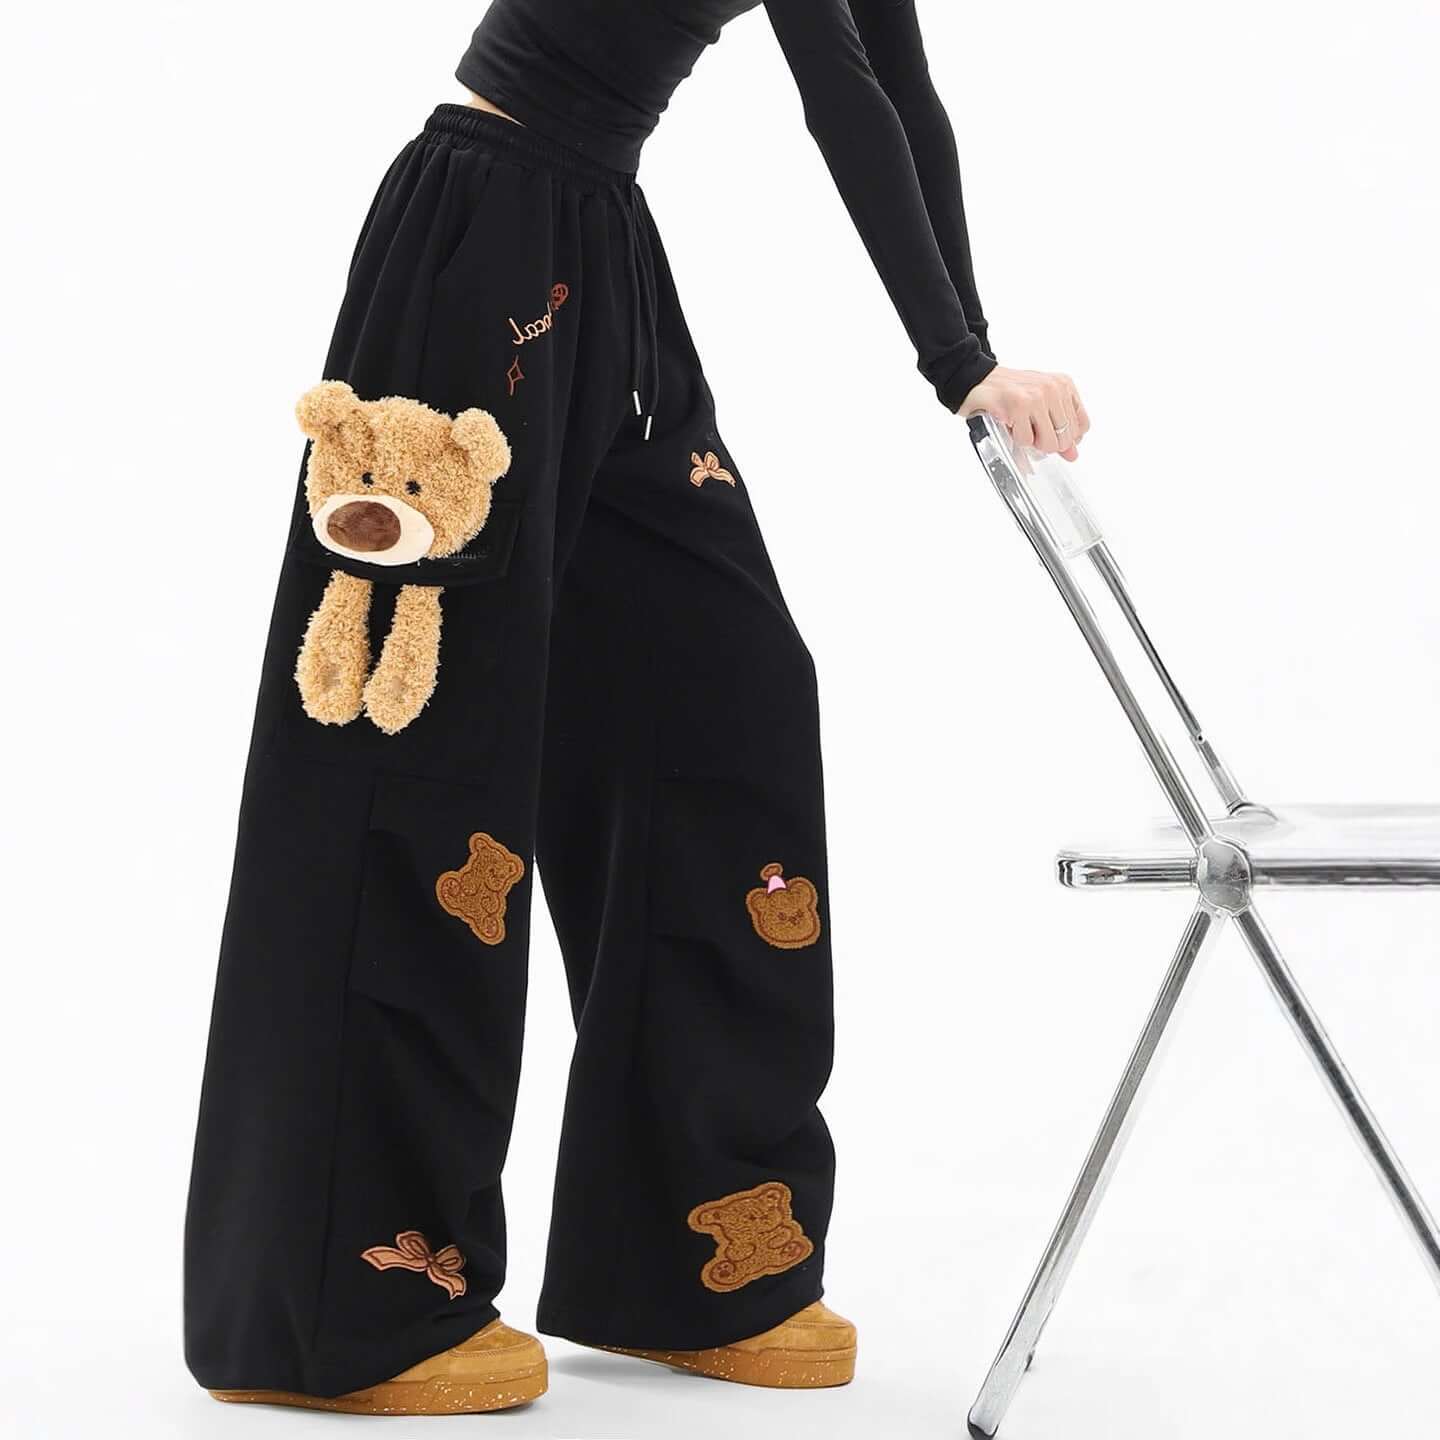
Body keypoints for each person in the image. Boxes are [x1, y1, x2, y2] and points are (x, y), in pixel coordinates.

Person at [184, 0, 1090, 1417]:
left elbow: (899, 84)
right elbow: (840, 93)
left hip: (603, 245)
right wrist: (958, 363)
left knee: (721, 708)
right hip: (479, 244)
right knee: (419, 747)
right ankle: (340, 1306)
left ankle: (692, 1259)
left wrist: (969, 346)